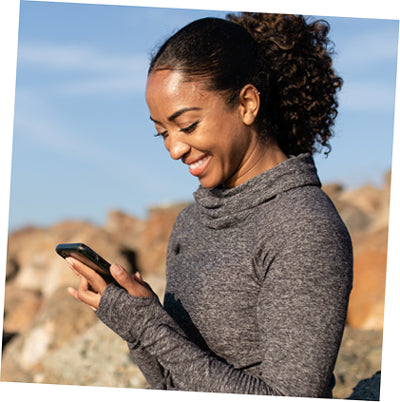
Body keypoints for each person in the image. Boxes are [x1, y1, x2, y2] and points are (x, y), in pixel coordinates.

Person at [65, 13, 353, 398]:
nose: (174, 148)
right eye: (162, 133)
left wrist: (149, 328)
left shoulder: (303, 227)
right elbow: (172, 383)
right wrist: (137, 322)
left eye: (187, 125)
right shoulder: (191, 224)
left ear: (247, 103)